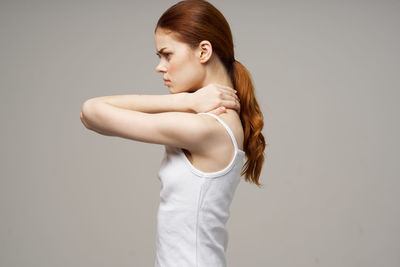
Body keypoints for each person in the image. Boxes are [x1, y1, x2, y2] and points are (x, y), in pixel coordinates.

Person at [80, 0, 266, 266]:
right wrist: (189, 102)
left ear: (203, 51)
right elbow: (89, 116)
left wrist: (183, 101)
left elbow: (91, 111)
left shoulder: (208, 127)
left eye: (167, 55)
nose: (160, 66)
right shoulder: (207, 120)